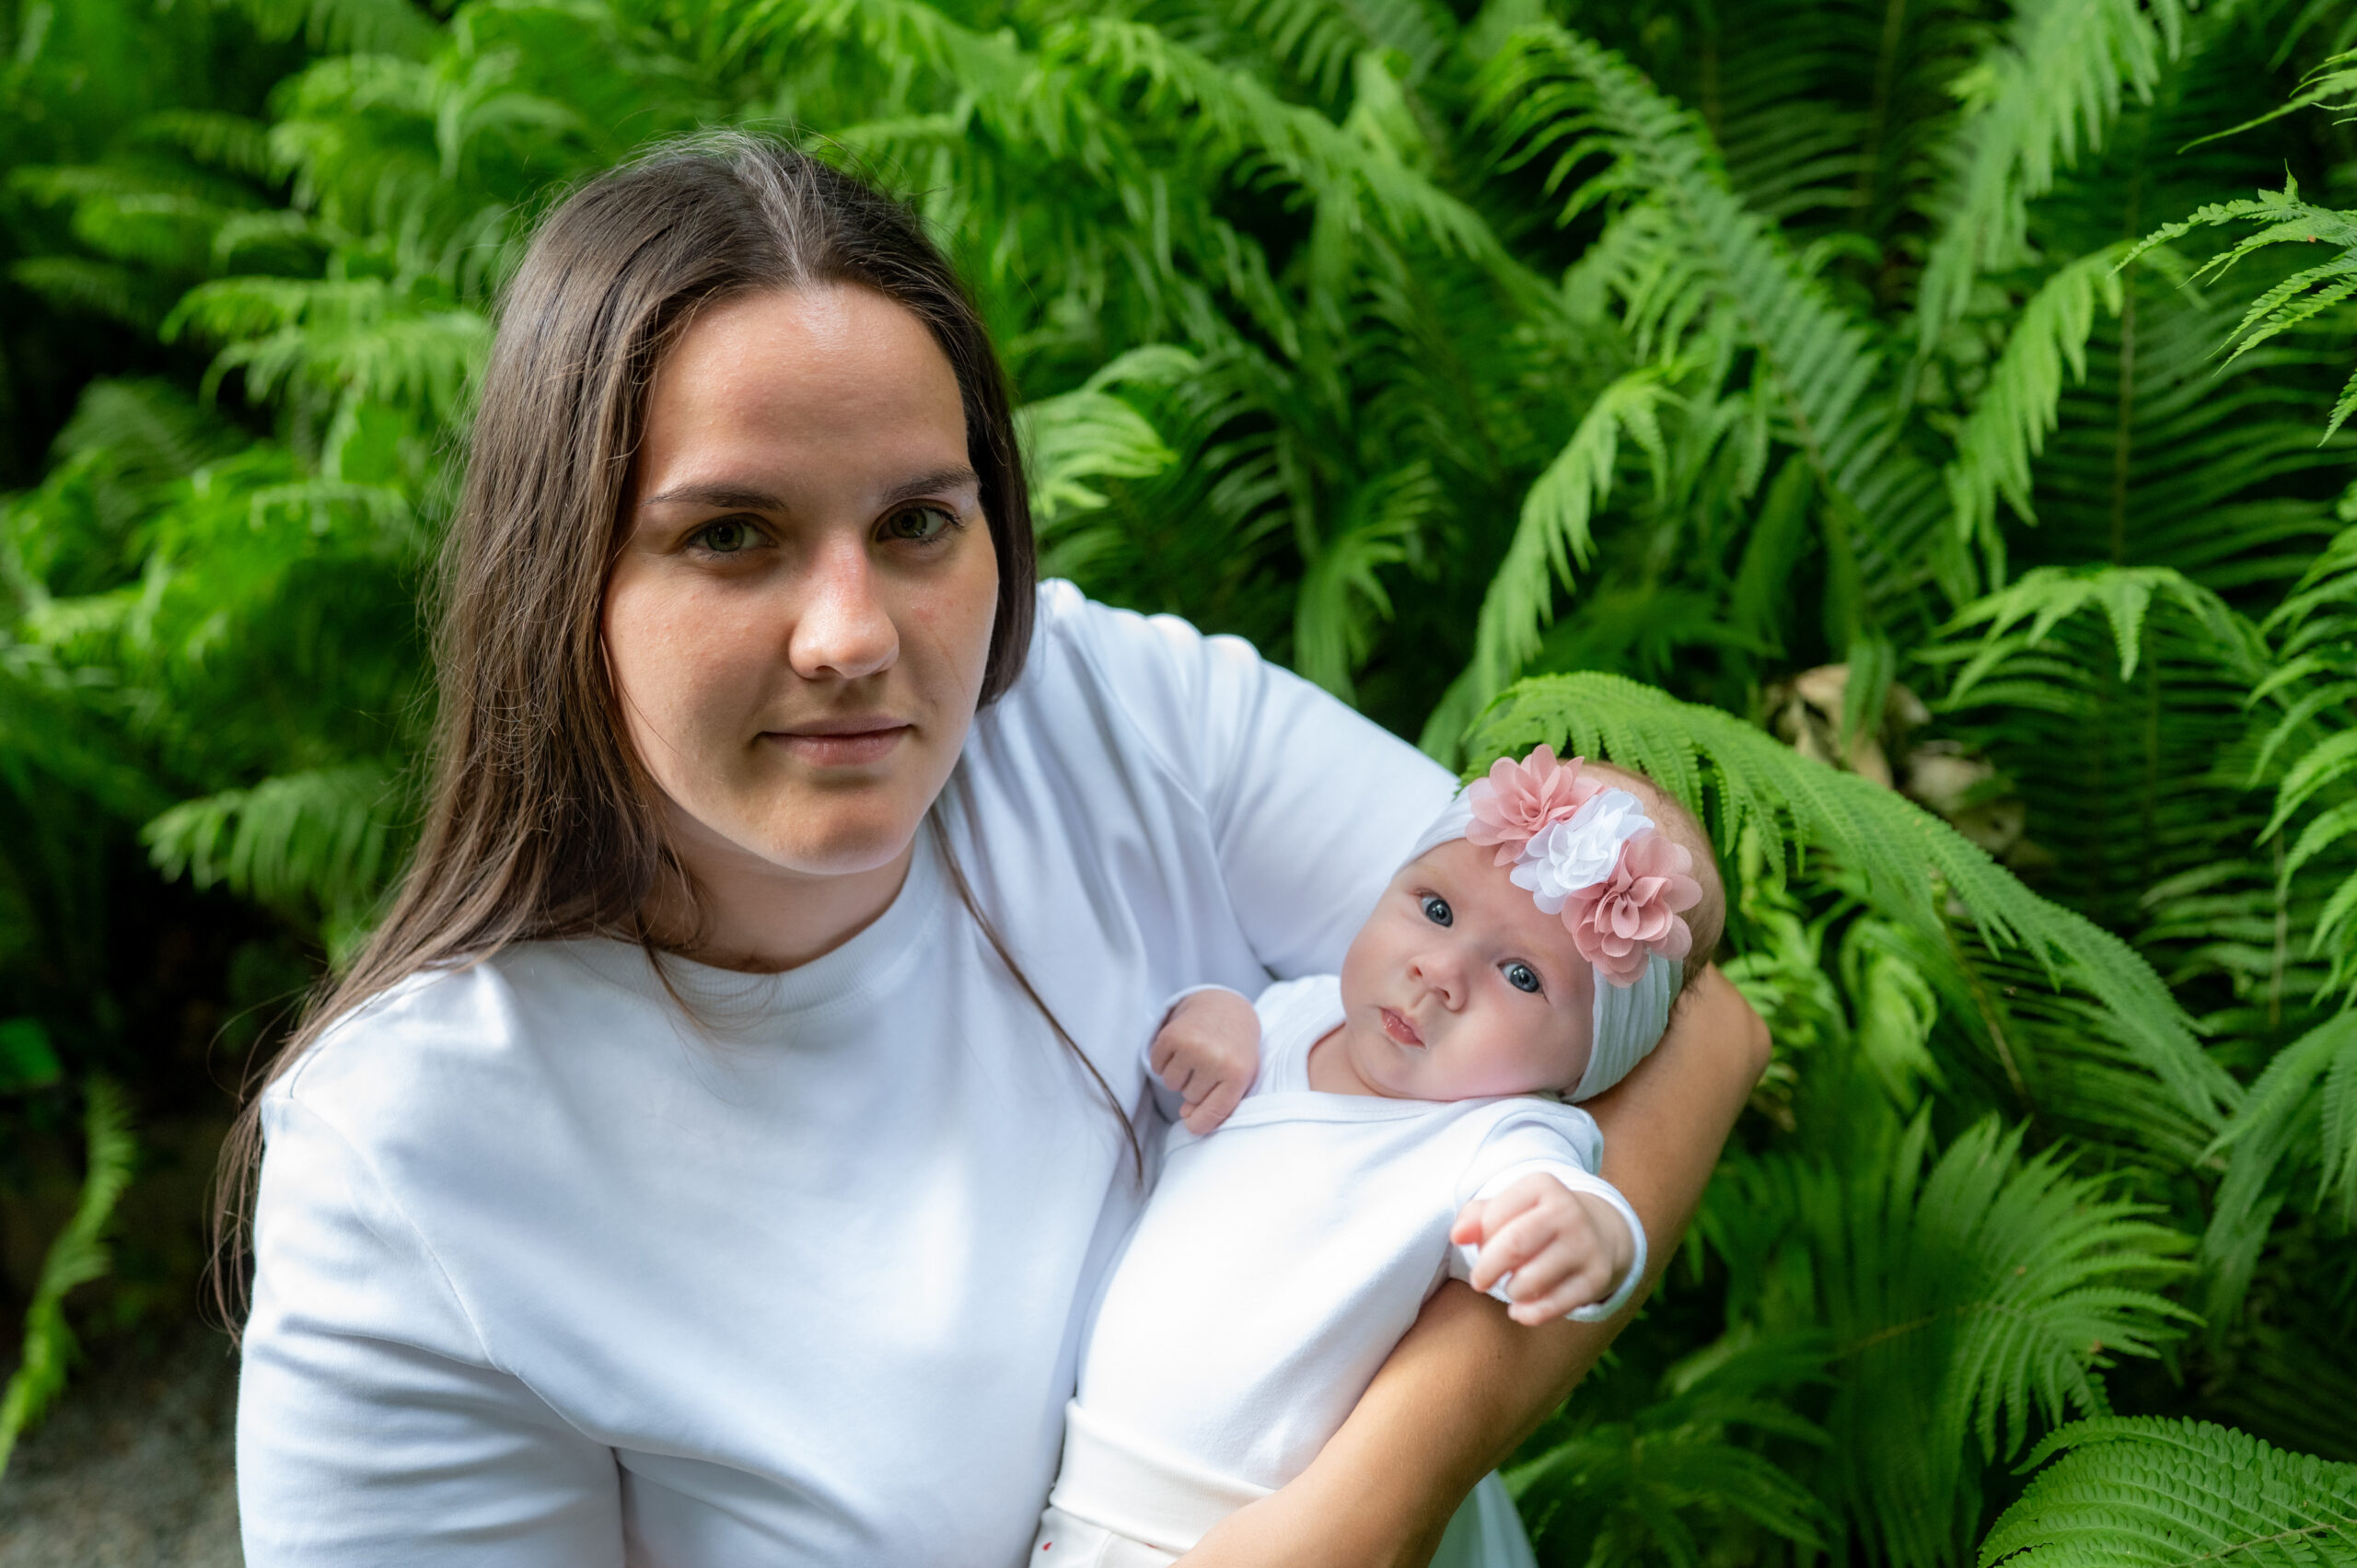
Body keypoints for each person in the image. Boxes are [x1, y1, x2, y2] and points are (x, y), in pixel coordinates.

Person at [226, 131, 1770, 1566]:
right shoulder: (411, 1161)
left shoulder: (1100, 703)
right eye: (731, 533)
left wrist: (1357, 1510)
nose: (852, 636)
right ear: (559, 570)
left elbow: (1682, 1014)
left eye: (917, 522)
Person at [1031, 749, 1724, 1565]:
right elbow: (1167, 1104)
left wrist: (1594, 1234)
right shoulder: (1293, 1015)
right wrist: (1210, 1017)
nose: (1441, 971)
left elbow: (1565, 1195)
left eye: (1520, 974)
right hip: (1084, 1506)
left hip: (1251, 1535)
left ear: (1589, 1064)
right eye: (1436, 908)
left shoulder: (1496, 1134)